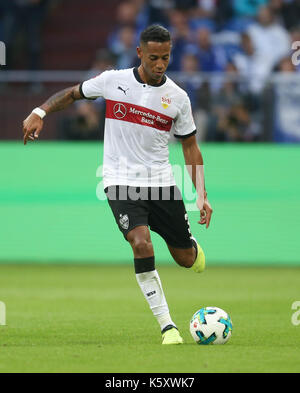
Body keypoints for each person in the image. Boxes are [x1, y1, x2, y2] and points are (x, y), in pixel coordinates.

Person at [22, 25, 213, 345]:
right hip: (120, 183)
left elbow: (190, 148)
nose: (160, 64)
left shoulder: (177, 98)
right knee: (140, 243)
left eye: (166, 57)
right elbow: (72, 93)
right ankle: (168, 326)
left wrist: (201, 195)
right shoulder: (113, 81)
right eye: (153, 57)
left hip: (162, 185)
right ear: (140, 53)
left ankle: (192, 250)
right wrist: (40, 111)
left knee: (184, 259)